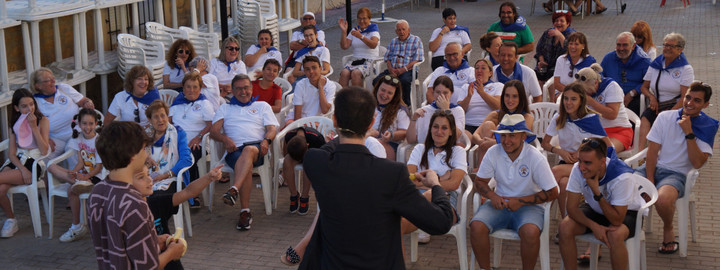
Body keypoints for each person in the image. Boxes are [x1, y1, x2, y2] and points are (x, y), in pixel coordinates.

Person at [299, 86, 456, 269]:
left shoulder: (315, 161)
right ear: (371, 122)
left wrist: (352, 131)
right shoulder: (392, 173)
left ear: (334, 120)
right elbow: (441, 222)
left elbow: (331, 149)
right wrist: (436, 185)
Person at [635, 82, 718, 254]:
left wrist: (689, 132)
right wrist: (649, 180)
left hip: (678, 174)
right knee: (621, 187)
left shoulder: (707, 125)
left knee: (663, 200)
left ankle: (668, 228)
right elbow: (652, 151)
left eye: (697, 100)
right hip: (655, 167)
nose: (689, 103)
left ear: (705, 105)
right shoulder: (666, 117)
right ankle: (630, 232)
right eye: (688, 97)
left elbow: (697, 163)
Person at [87, 121, 184, 269]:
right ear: (132, 156)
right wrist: (172, 253)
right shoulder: (134, 204)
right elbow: (148, 267)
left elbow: (116, 242)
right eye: (144, 149)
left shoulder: (97, 192)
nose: (147, 153)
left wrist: (152, 241)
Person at [470, 114, 558, 270]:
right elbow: (479, 182)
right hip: (500, 203)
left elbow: (553, 192)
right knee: (476, 226)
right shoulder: (493, 152)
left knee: (530, 232)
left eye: (512, 136)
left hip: (529, 207)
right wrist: (492, 195)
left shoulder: (535, 157)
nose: (506, 141)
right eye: (503, 136)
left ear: (523, 136)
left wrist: (521, 201)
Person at [559, 137, 645, 270]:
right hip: (596, 209)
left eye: (587, 163)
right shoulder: (578, 168)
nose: (582, 167)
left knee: (614, 235)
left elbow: (617, 220)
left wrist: (596, 192)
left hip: (627, 213)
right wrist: (594, 226)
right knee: (565, 226)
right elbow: (571, 208)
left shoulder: (621, 177)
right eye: (580, 161)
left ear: (602, 162)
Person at [213, 74, 278, 231]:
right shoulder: (225, 108)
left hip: (257, 148)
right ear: (233, 91)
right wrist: (225, 139)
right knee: (245, 163)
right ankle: (244, 211)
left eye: (246, 87)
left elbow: (272, 129)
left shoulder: (262, 106)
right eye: (239, 88)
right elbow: (213, 132)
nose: (243, 92)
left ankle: (235, 191)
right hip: (234, 150)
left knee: (248, 151)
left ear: (251, 88)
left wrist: (266, 140)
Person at [541, 82, 609, 220]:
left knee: (555, 171)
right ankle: (566, 222)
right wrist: (560, 151)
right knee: (563, 183)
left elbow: (607, 146)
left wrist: (582, 153)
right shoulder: (559, 118)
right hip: (567, 160)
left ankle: (541, 208)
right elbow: (545, 143)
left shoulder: (590, 119)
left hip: (587, 164)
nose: (568, 103)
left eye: (573, 99)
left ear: (581, 100)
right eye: (566, 98)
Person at [134, 163, 221, 270]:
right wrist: (171, 252)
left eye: (148, 174)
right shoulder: (129, 215)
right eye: (141, 177)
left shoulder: (156, 202)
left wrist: (208, 177)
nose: (149, 179)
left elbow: (188, 192)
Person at [403, 110, 466, 243]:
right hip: (418, 198)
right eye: (435, 126)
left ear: (451, 132)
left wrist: (423, 180)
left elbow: (454, 184)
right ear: (430, 129)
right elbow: (408, 178)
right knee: (398, 226)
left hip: (447, 202)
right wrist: (440, 178)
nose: (439, 131)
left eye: (444, 128)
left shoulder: (457, 152)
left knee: (429, 194)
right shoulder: (420, 149)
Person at [0, 89, 50, 238]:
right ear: (16, 108)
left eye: (31, 104)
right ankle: (11, 219)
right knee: (1, 189)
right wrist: (22, 170)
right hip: (17, 163)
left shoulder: (42, 120)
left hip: (34, 162)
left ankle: (10, 220)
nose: (29, 109)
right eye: (24, 106)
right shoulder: (14, 124)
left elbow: (44, 149)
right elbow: (11, 154)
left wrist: (34, 127)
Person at [52, 109, 104, 242]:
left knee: (71, 190)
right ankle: (77, 182)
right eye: (84, 123)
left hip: (99, 177)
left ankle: (76, 227)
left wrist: (85, 177)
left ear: (96, 124)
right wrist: (75, 172)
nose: (88, 127)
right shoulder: (78, 139)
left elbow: (99, 167)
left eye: (91, 124)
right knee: (51, 166)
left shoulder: (99, 140)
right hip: (85, 175)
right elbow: (81, 162)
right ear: (79, 124)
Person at [638, 32, 694, 149]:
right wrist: (651, 97)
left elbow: (685, 97)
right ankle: (640, 154)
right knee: (645, 118)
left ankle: (659, 154)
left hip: (676, 105)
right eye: (665, 45)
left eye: (671, 46)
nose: (667, 48)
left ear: (680, 50)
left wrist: (669, 114)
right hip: (657, 104)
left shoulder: (685, 69)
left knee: (665, 122)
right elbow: (644, 87)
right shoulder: (655, 64)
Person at [30, 68, 94, 164]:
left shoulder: (63, 88)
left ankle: (79, 178)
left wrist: (88, 103)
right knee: (40, 161)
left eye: (53, 78)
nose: (53, 81)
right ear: (38, 86)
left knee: (72, 150)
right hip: (55, 139)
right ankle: (47, 179)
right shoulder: (34, 102)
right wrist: (46, 138)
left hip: (77, 132)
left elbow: (83, 101)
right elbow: (32, 124)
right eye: (48, 80)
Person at [168, 73, 215, 205]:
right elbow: (168, 122)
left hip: (198, 141)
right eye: (188, 87)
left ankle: (192, 193)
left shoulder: (205, 103)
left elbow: (211, 125)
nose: (191, 90)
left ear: (200, 89)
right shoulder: (177, 103)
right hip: (177, 142)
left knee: (189, 157)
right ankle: (171, 189)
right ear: (183, 88)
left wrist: (198, 137)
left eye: (195, 87)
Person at [575, 64, 634, 152]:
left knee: (599, 153)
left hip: (619, 131)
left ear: (595, 83)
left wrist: (591, 102)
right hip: (595, 132)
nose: (585, 94)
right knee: (576, 151)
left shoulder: (611, 86)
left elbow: (612, 115)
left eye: (587, 91)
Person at [472, 80, 534, 164]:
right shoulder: (495, 114)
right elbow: (475, 135)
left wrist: (494, 143)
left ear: (521, 98)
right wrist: (482, 142)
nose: (510, 100)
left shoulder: (527, 117)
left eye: (514, 96)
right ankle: (483, 168)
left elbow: (522, 141)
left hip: (515, 157)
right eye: (507, 96)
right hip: (492, 154)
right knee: (488, 125)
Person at [145, 100, 193, 194]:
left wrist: (166, 175)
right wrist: (145, 157)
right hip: (147, 178)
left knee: (158, 196)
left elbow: (186, 160)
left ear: (167, 116)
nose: (160, 120)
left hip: (172, 178)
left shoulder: (178, 133)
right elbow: (133, 155)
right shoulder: (144, 136)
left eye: (163, 115)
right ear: (149, 120)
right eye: (155, 117)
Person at [372, 19, 424, 106]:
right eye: (399, 30)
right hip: (393, 69)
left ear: (409, 30)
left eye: (404, 29)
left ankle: (405, 105)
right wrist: (391, 69)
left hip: (409, 70)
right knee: (377, 80)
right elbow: (387, 58)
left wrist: (403, 69)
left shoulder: (416, 40)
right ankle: (381, 104)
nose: (401, 32)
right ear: (396, 31)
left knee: (404, 81)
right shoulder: (393, 41)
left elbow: (418, 59)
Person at [600, 32, 651, 115]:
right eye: (618, 45)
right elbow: (600, 76)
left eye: (625, 45)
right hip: (610, 94)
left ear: (633, 46)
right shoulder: (608, 58)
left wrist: (632, 93)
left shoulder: (644, 61)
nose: (621, 48)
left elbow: (648, 81)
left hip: (633, 96)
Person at [408, 76, 465, 146]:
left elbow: (456, 136)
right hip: (426, 149)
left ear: (451, 93)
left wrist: (446, 110)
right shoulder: (425, 110)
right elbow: (411, 140)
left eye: (445, 92)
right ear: (433, 93)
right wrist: (413, 120)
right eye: (438, 92)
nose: (441, 96)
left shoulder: (458, 110)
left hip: (448, 149)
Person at [282, 126, 326, 216]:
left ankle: (305, 196)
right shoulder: (288, 136)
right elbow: (285, 154)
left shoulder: (317, 138)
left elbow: (324, 156)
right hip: (298, 153)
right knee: (286, 160)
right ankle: (294, 194)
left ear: (307, 145)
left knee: (308, 161)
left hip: (312, 157)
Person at [368, 75, 410, 161]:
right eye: (383, 90)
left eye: (390, 93)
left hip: (390, 146)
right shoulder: (368, 103)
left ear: (395, 95)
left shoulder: (400, 110)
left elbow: (405, 132)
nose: (385, 95)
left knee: (370, 143)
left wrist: (392, 135)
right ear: (377, 89)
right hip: (367, 141)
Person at [286, 56, 336, 126]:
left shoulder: (330, 85)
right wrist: (300, 127)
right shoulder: (300, 84)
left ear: (320, 68)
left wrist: (320, 88)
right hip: (300, 119)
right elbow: (297, 115)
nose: (311, 72)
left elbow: (325, 110)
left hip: (318, 120)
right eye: (307, 69)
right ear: (304, 72)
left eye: (314, 68)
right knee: (290, 127)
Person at [459, 58, 503, 136]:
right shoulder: (466, 87)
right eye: (477, 68)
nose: (479, 70)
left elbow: (498, 107)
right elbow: (460, 110)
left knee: (487, 129)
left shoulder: (498, 86)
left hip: (487, 124)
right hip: (468, 124)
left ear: (490, 73)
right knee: (464, 140)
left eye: (483, 68)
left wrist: (482, 93)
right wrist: (468, 97)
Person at [338, 7, 380, 87]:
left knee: (356, 73)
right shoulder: (355, 30)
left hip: (370, 60)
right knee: (344, 73)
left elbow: (373, 45)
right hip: (356, 60)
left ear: (369, 19)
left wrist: (361, 37)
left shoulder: (373, 29)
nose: (361, 21)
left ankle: (358, 98)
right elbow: (344, 46)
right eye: (359, 18)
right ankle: (342, 98)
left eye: (364, 18)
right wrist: (344, 32)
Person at [534, 11, 576, 85]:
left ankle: (552, 96)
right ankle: (540, 96)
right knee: (538, 74)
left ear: (568, 23)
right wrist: (541, 60)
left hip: (562, 66)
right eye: (556, 21)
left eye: (562, 21)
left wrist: (560, 36)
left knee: (552, 75)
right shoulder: (548, 32)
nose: (558, 23)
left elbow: (569, 50)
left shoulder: (572, 35)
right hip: (546, 64)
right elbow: (539, 48)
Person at [553, 32, 596, 98]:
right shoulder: (561, 60)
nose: (573, 47)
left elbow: (592, 87)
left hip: (583, 95)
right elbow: (557, 84)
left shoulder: (589, 62)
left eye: (576, 44)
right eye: (570, 44)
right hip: (563, 92)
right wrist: (571, 94)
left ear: (583, 46)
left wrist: (576, 95)